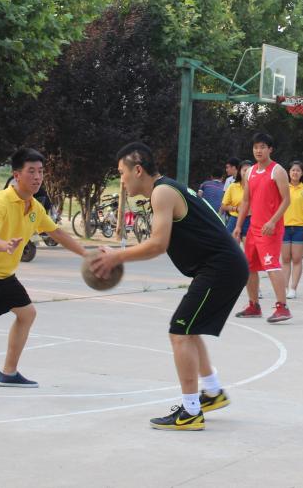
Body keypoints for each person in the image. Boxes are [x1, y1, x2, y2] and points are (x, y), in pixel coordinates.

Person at [91, 142, 248, 431]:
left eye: (122, 173)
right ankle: (212, 391)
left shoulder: (161, 192)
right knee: (188, 328)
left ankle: (190, 412)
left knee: (179, 331)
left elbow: (157, 245)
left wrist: (116, 256)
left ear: (138, 170)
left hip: (221, 268)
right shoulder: (167, 188)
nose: (121, 180)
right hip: (222, 266)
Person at [0, 148, 86, 401]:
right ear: (16, 175)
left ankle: (9, 373)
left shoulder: (34, 207)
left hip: (3, 273)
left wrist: (86, 255)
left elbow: (57, 233)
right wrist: (5, 245)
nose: (37, 177)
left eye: (41, 172)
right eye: (31, 171)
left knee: (27, 314)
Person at [233, 134, 291, 322]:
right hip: (253, 228)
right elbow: (246, 201)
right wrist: (238, 225)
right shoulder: (249, 172)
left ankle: (282, 307)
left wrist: (273, 221)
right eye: (256, 147)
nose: (258, 150)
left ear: (270, 149)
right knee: (248, 267)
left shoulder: (277, 171)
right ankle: (254, 305)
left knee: (272, 265)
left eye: (263, 147)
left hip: (270, 229)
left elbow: (286, 200)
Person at [281, 161, 303, 300]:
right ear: (288, 172)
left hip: (300, 228)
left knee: (296, 259)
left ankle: (293, 288)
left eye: (298, 170)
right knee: (285, 259)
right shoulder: (282, 187)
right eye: (293, 170)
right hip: (283, 227)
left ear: (302, 173)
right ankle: (284, 288)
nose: (295, 173)